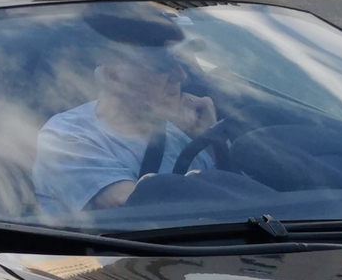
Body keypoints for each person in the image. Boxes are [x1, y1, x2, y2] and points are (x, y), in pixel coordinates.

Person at [32, 28, 217, 213]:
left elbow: (229, 200)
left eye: (180, 62)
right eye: (162, 65)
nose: (181, 75)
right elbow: (138, 210)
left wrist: (209, 140)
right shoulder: (64, 138)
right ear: (113, 76)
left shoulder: (183, 131)